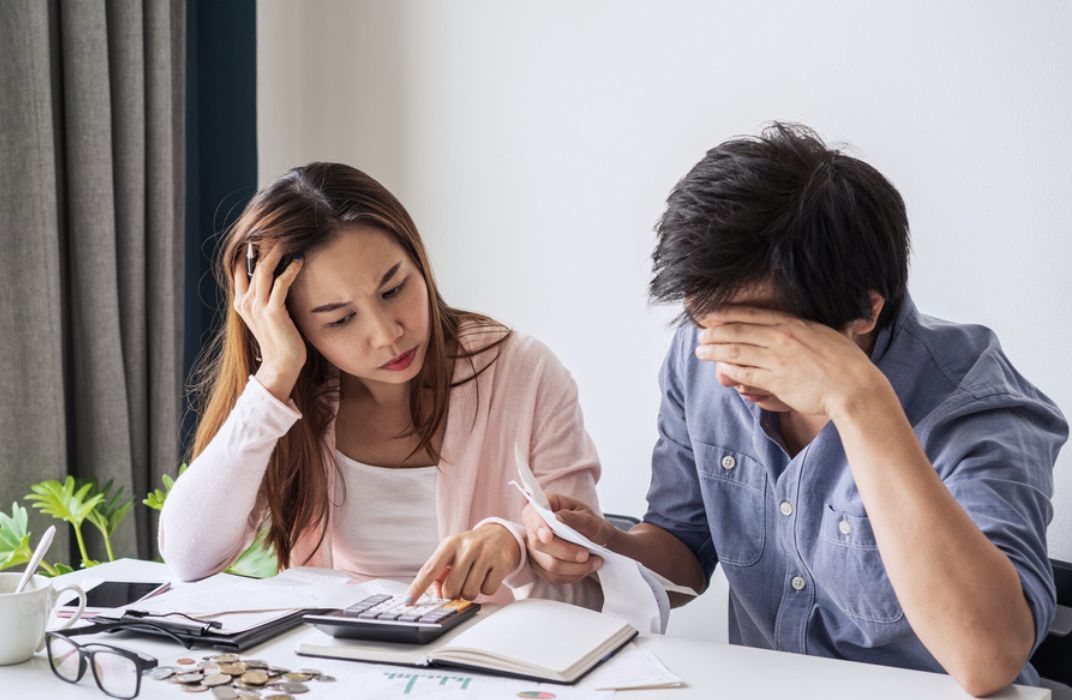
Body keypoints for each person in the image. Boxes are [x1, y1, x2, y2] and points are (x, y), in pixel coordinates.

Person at [523, 123, 1067, 695]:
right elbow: (685, 551)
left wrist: (858, 401)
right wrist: (606, 548)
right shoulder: (700, 355)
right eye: (709, 329)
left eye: (759, 340)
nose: (727, 372)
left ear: (865, 310)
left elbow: (987, 661)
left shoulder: (976, 406)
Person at [159, 162, 602, 607]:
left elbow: (586, 578)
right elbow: (188, 557)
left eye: (393, 290)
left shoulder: (523, 373)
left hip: (495, 664)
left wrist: (514, 542)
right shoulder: (296, 398)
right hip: (341, 665)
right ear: (292, 325)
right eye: (340, 319)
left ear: (419, 262)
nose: (386, 333)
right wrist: (273, 378)